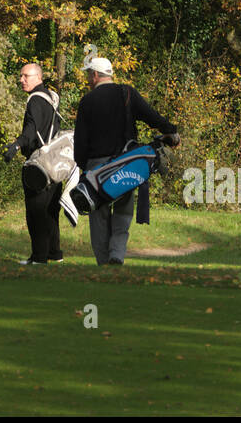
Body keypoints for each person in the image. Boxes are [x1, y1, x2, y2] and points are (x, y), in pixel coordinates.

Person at [73, 57, 179, 266]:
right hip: (126, 163)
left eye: (88, 74)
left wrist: (83, 167)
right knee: (123, 210)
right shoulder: (126, 93)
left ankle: (103, 261)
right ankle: (117, 254)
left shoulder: (87, 101)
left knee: (99, 215)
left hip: (96, 166)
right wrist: (172, 131)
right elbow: (152, 117)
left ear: (95, 75)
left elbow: (80, 141)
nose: (87, 78)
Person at [5, 62, 64, 265]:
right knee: (51, 211)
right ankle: (55, 254)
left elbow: (31, 129)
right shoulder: (51, 98)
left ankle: (39, 258)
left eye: (25, 76)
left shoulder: (35, 100)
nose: (21, 80)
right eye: (20, 76)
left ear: (38, 77)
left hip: (39, 165)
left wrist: (16, 145)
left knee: (36, 213)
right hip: (56, 164)